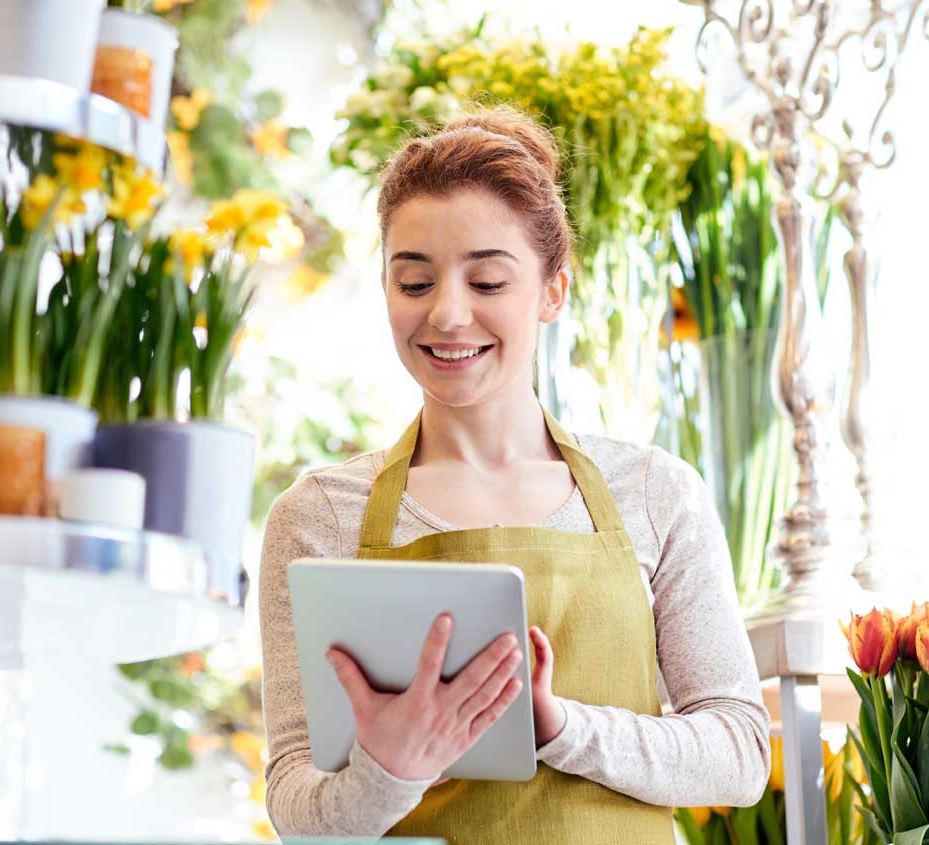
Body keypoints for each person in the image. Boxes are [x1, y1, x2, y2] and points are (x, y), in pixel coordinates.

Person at [258, 106, 770, 844]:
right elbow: (296, 806)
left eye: (489, 281)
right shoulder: (319, 516)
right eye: (413, 282)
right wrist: (389, 768)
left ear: (553, 291)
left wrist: (557, 725)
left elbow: (739, 753)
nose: (448, 313)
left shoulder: (654, 492)